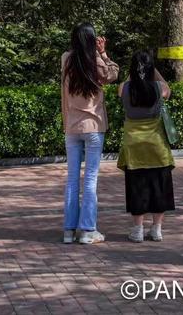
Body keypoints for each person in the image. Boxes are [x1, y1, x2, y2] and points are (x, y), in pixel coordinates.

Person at [61, 22, 119, 244]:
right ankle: (87, 230)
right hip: (94, 126)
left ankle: (69, 231)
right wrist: (103, 52)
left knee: (72, 179)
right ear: (92, 39)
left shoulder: (66, 59)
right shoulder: (94, 60)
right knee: (91, 178)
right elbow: (113, 74)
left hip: (72, 126)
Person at [117, 50, 175, 242]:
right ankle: (156, 228)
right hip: (157, 144)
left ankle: (137, 230)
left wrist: (135, 71)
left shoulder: (125, 89)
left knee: (137, 186)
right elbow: (168, 88)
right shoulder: (159, 88)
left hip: (134, 147)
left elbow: (120, 87)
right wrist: (153, 70)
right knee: (159, 186)